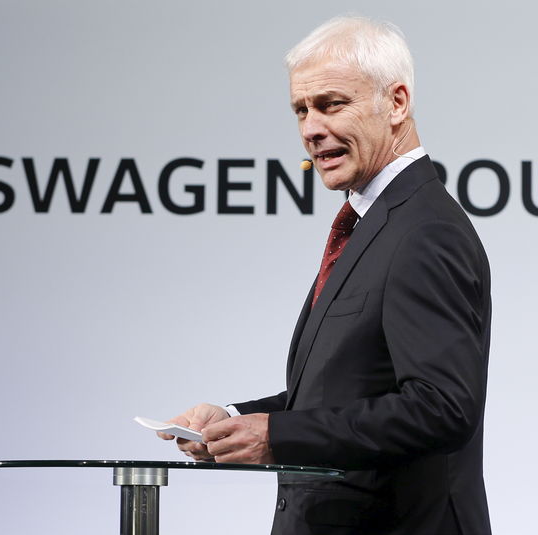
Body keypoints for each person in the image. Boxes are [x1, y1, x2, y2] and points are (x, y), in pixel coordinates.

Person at [158, 16, 491, 535]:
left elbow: (442, 408)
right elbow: (346, 392)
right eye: (300, 111)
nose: (311, 129)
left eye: (332, 104)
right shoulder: (377, 221)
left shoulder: (425, 229)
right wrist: (234, 418)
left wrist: (279, 437)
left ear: (397, 103)